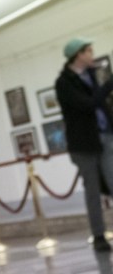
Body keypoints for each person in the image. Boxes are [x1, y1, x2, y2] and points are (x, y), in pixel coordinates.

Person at [55, 37, 113, 252]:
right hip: (84, 144)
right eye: (88, 51)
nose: (92, 54)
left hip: (105, 135)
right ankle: (99, 235)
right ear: (78, 55)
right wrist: (108, 84)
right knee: (93, 189)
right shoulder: (64, 83)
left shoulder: (90, 75)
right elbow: (87, 105)